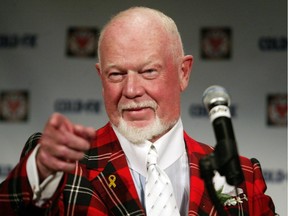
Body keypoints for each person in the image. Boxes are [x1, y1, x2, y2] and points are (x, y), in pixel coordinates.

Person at [0, 6, 276, 216]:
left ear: (183, 72)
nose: (131, 90)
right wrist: (39, 171)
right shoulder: (62, 164)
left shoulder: (242, 174)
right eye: (116, 74)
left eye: (148, 71)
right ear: (101, 77)